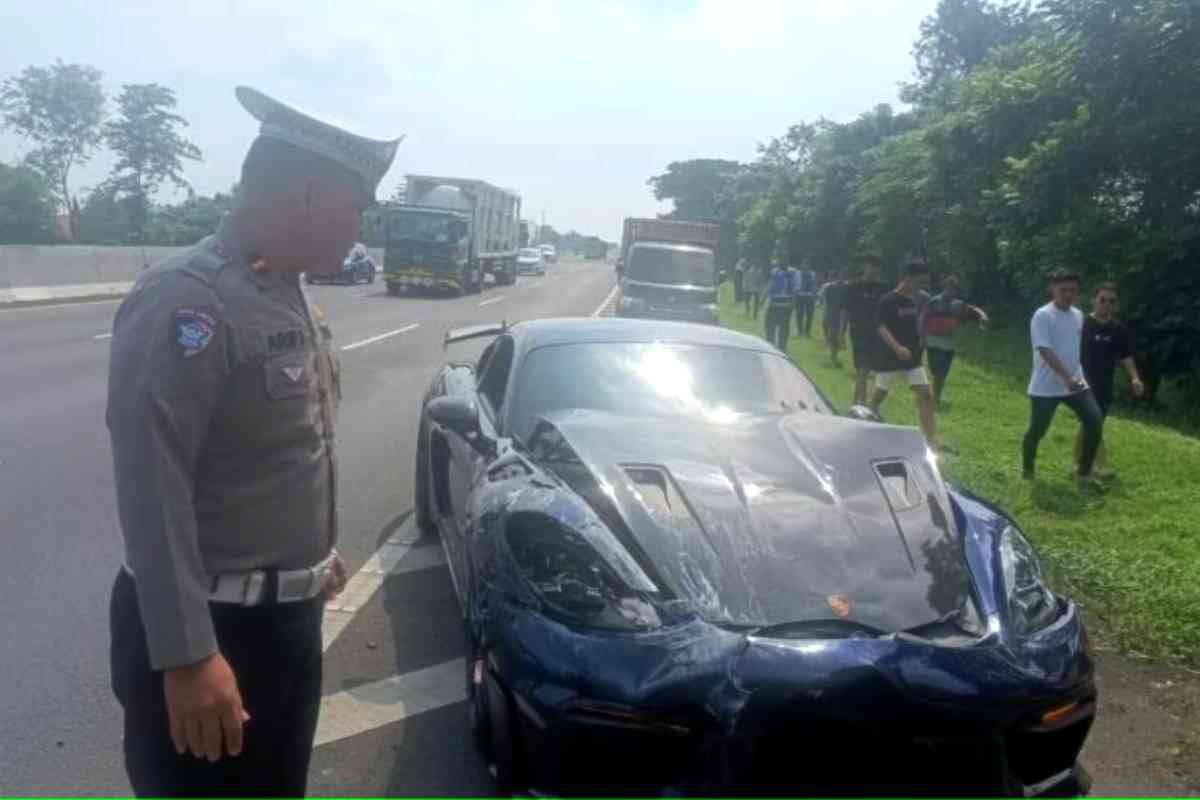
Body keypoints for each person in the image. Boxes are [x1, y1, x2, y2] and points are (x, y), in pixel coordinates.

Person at [106, 86, 400, 797]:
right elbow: (153, 480)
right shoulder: (189, 297)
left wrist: (311, 557)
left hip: (284, 624)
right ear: (305, 196)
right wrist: (186, 656)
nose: (359, 226)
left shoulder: (283, 291)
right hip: (212, 632)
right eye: (354, 208)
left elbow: (286, 447)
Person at [1021, 270, 1105, 487]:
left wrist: (1076, 377)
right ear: (1053, 289)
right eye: (1063, 290)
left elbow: (1076, 348)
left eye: (1072, 290)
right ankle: (1028, 469)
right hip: (1046, 386)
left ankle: (1084, 473)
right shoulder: (1043, 315)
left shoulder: (1078, 315)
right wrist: (1065, 377)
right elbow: (1045, 350)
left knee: (1094, 420)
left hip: (1076, 383)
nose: (1068, 294)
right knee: (1038, 430)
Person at [871, 259, 940, 449]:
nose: (922, 287)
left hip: (913, 358)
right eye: (920, 282)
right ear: (907, 279)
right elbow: (881, 327)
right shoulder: (888, 300)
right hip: (890, 357)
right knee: (880, 394)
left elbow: (918, 321)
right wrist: (897, 347)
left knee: (926, 395)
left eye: (924, 283)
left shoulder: (916, 299)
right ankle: (871, 410)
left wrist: (922, 337)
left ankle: (930, 440)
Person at [1078, 282, 1144, 477]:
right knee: (1093, 422)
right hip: (1082, 383)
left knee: (1091, 424)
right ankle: (1095, 465)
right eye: (1102, 300)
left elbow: (1126, 356)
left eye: (1111, 301)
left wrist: (1135, 378)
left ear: (1116, 305)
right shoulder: (1082, 324)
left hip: (1105, 384)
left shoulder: (1118, 329)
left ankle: (1081, 463)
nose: (1106, 304)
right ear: (1093, 301)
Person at [920, 274, 989, 407]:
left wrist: (983, 316)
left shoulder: (958, 305)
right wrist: (922, 338)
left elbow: (973, 310)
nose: (950, 292)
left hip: (949, 344)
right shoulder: (933, 302)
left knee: (942, 374)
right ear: (943, 288)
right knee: (937, 373)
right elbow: (922, 319)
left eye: (953, 290)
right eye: (948, 288)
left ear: (956, 292)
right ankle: (934, 398)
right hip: (933, 342)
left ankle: (936, 398)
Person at [842, 254, 889, 405]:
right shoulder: (853, 286)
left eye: (876, 266)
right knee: (863, 370)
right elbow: (845, 310)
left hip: (878, 335)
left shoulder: (884, 288)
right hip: (858, 334)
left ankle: (863, 404)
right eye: (870, 265)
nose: (873, 269)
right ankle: (858, 403)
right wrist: (841, 332)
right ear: (864, 266)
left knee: (874, 372)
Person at [762, 259, 795, 351]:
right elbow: (770, 285)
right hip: (778, 303)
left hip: (781, 303)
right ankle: (776, 345)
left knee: (778, 327)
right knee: (775, 326)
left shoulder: (789, 273)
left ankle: (777, 346)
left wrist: (764, 297)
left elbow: (770, 285)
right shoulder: (777, 272)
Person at [819, 271, 849, 365]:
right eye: (839, 277)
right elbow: (824, 300)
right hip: (831, 313)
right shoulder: (829, 287)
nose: (841, 279)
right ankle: (833, 353)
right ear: (836, 278)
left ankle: (834, 354)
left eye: (843, 277)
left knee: (837, 334)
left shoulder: (847, 288)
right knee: (831, 333)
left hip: (842, 315)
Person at [793, 262, 819, 337]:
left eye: (807, 264)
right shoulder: (797, 273)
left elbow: (814, 285)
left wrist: (814, 296)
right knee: (799, 315)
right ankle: (799, 331)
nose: (805, 266)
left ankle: (807, 332)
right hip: (799, 295)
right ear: (801, 265)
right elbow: (795, 284)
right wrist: (795, 296)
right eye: (804, 264)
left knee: (809, 315)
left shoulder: (812, 273)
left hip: (809, 296)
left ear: (809, 265)